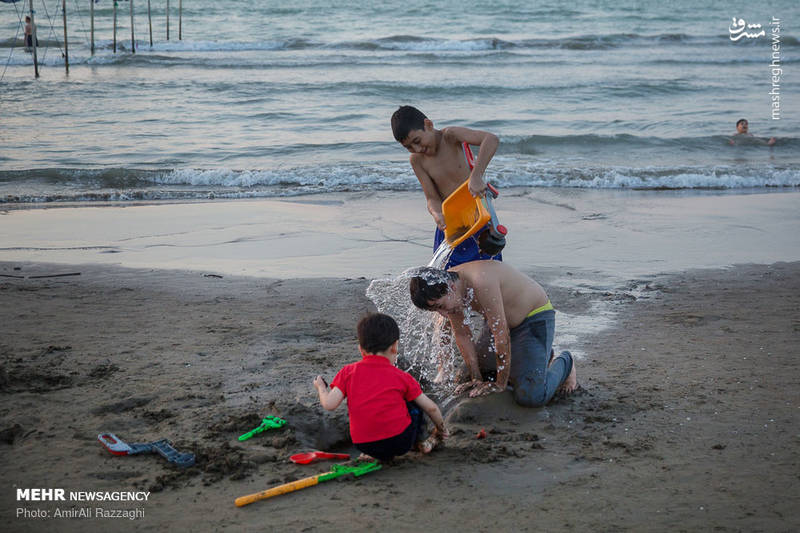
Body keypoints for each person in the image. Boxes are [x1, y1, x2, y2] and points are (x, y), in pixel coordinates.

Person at [409, 261, 577, 407]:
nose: (444, 314)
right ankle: (538, 357)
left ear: (451, 288)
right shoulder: (450, 287)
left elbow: (501, 336)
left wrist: (500, 384)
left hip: (533, 319)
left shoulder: (480, 281)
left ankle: (564, 362)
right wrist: (476, 377)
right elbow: (462, 335)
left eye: (440, 306)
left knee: (531, 397)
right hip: (499, 323)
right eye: (435, 309)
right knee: (464, 378)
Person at [313, 313, 448, 462]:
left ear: (361, 349)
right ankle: (422, 441)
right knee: (414, 401)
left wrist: (321, 387)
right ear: (394, 347)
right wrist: (441, 430)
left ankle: (374, 454)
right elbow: (432, 409)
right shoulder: (402, 377)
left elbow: (329, 404)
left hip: (363, 444)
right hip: (400, 443)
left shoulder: (347, 372)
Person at [391, 105, 502, 268]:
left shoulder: (450, 136)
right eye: (408, 147)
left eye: (417, 141)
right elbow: (432, 198)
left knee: (488, 268)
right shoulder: (417, 160)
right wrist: (437, 214)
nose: (416, 149)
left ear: (428, 125)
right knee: (448, 275)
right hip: (451, 223)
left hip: (478, 214)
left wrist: (476, 175)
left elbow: (491, 139)